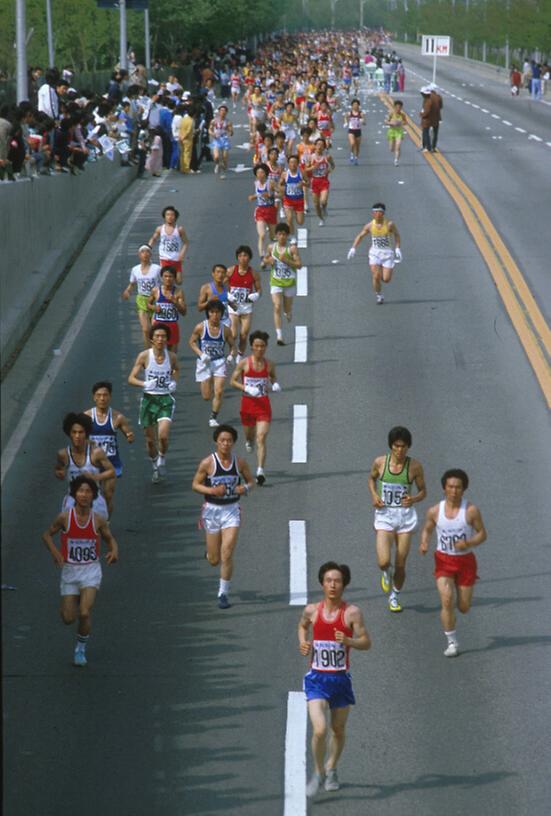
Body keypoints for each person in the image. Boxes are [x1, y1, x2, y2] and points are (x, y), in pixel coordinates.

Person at [298, 561, 371, 797]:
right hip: (317, 679)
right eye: (328, 580)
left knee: (338, 730)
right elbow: (302, 626)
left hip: (340, 680)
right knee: (319, 730)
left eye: (337, 581)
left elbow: (366, 642)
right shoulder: (312, 610)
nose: (332, 585)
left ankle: (331, 768)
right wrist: (303, 641)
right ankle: (318, 772)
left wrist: (348, 641)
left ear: (344, 585)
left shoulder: (352, 613)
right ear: (322, 583)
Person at [42, 475, 119, 667]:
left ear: (93, 496)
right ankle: (74, 598)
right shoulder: (65, 517)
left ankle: (80, 649)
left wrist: (114, 551)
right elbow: (46, 535)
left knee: (84, 613)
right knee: (68, 618)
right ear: (74, 494)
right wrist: (55, 553)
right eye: (81, 491)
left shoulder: (98, 520)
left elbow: (110, 539)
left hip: (91, 570)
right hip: (70, 571)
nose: (84, 495)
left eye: (88, 492)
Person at [420, 469, 487, 657]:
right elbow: (427, 529)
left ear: (464, 489)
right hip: (444, 560)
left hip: (465, 561)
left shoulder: (471, 511)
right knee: (447, 600)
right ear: (444, 488)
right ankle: (452, 642)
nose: (454, 491)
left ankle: (457, 607)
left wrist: (469, 542)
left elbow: (482, 533)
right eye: (450, 487)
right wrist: (424, 542)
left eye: (458, 487)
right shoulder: (434, 511)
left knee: (463, 607)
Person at [191, 425, 254, 609]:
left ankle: (223, 593)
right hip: (212, 510)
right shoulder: (208, 463)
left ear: (233, 443)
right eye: (222, 440)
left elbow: (251, 481)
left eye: (229, 441)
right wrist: (211, 490)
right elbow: (195, 485)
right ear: (216, 442)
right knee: (214, 559)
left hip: (231, 510)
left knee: (227, 552)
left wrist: (245, 488)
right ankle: (210, 554)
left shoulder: (239, 462)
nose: (225, 444)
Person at [367, 426, 426, 612]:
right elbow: (371, 479)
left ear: (408, 447)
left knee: (400, 563)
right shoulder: (380, 463)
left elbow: (424, 491)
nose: (400, 451)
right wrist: (374, 495)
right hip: (385, 515)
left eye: (403, 447)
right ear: (390, 446)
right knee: (384, 561)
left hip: (405, 518)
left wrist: (414, 499)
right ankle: (385, 573)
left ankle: (394, 595)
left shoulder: (414, 466)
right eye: (396, 446)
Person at [127, 323, 179, 483]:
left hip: (165, 399)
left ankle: (162, 458)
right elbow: (131, 378)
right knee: (150, 441)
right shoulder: (144, 356)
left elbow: (176, 370)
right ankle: (155, 466)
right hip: (149, 400)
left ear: (167, 339)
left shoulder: (172, 357)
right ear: (151, 339)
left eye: (163, 336)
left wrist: (174, 382)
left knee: (163, 435)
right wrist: (143, 384)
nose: (160, 339)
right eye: (157, 336)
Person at [230, 330, 280, 486]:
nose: (260, 349)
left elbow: (272, 376)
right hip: (247, 404)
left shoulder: (270, 364)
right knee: (250, 436)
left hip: (263, 405)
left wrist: (275, 383)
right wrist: (245, 388)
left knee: (262, 437)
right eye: (257, 346)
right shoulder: (244, 363)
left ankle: (260, 471)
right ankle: (248, 441)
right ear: (252, 346)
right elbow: (232, 381)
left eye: (263, 346)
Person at [84, 382, 134, 517]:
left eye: (105, 395)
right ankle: (92, 522)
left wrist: (129, 436)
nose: (102, 398)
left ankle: (105, 522)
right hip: (92, 464)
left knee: (107, 496)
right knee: (89, 497)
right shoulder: (87, 417)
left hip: (111, 464)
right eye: (99, 395)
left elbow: (128, 434)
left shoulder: (118, 417)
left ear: (110, 397)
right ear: (94, 397)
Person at [55, 412, 114, 519]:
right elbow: (58, 468)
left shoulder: (96, 453)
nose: (77, 436)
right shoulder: (63, 454)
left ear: (86, 433)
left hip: (94, 501)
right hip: (72, 500)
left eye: (81, 432)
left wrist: (95, 477)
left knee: (97, 532)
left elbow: (111, 471)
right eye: (74, 432)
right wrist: (60, 473)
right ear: (69, 433)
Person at [189, 299, 237, 427]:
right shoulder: (200, 327)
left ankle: (213, 417)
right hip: (204, 363)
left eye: (218, 312)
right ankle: (209, 380)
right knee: (206, 396)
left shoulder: (226, 330)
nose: (215, 315)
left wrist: (231, 356)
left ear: (222, 314)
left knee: (219, 391)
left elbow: (233, 346)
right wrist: (201, 354)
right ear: (208, 313)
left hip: (219, 362)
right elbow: (192, 342)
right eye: (212, 312)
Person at [347, 203, 402, 305]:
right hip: (375, 253)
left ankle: (382, 269)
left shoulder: (389, 224)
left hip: (387, 254)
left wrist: (397, 248)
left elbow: (397, 235)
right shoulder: (369, 226)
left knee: (386, 279)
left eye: (379, 212)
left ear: (383, 213)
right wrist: (353, 248)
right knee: (376, 276)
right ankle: (379, 295)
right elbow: (360, 236)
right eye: (375, 212)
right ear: (372, 213)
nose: (377, 214)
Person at [263, 222, 302, 346]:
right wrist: (269, 261)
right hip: (276, 281)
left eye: (284, 234)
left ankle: (288, 313)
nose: (282, 237)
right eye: (279, 234)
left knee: (286, 308)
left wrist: (287, 260)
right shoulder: (271, 247)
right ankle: (279, 336)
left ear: (288, 235)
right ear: (276, 235)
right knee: (277, 306)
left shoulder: (292, 249)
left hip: (289, 282)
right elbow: (265, 258)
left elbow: (299, 265)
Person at [226, 245, 262, 361]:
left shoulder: (254, 273)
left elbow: (259, 290)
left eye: (245, 255)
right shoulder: (231, 271)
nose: (243, 258)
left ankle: (240, 355)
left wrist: (255, 295)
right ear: (237, 258)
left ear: (249, 257)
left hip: (246, 308)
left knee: (243, 335)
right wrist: (228, 296)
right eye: (240, 255)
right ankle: (232, 352)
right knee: (233, 334)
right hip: (234, 307)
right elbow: (222, 286)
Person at [121, 244, 161, 348]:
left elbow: (164, 282)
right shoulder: (135, 269)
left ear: (151, 254)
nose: (145, 254)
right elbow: (132, 283)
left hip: (155, 300)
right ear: (139, 254)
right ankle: (148, 352)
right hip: (142, 300)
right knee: (145, 329)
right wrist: (127, 291)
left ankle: (156, 349)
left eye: (147, 251)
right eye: (143, 252)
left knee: (155, 329)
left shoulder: (157, 269)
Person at [147, 265, 187, 353]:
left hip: (172, 325)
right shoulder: (156, 291)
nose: (168, 279)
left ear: (174, 278)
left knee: (172, 354)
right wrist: (154, 307)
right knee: (157, 352)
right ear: (161, 277)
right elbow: (148, 304)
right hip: (159, 324)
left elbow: (184, 312)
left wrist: (174, 302)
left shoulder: (178, 292)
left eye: (170, 276)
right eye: (165, 276)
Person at [148, 205, 189, 284]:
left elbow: (186, 242)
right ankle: (166, 294)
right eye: (167, 215)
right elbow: (153, 238)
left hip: (176, 258)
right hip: (164, 258)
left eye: (172, 215)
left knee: (179, 281)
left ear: (175, 217)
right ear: (164, 217)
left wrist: (182, 254)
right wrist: (148, 248)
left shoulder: (179, 229)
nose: (170, 217)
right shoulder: (160, 229)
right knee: (167, 280)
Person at [249, 163, 278, 260]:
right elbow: (257, 194)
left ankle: (271, 251)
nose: (260, 175)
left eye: (262, 172)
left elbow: (281, 193)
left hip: (271, 210)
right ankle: (262, 255)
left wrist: (271, 195)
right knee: (261, 235)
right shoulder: (255, 183)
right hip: (260, 210)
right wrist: (253, 196)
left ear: (266, 173)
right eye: (258, 173)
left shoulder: (271, 183)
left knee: (272, 236)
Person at [306, 137, 335, 227]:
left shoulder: (327, 157)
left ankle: (325, 207)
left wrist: (329, 170)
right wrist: (313, 167)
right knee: (316, 204)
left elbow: (333, 166)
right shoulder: (310, 157)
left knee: (323, 201)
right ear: (314, 146)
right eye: (318, 144)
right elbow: (306, 169)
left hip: (324, 181)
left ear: (324, 147)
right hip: (314, 181)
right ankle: (321, 219)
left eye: (321, 145)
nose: (319, 147)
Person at [197, 263, 231, 331]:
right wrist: (209, 301)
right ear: (213, 274)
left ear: (225, 275)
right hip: (212, 323)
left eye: (223, 273)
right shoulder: (206, 288)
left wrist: (233, 304)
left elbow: (231, 304)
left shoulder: (227, 288)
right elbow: (199, 308)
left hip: (225, 322)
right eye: (218, 272)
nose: (220, 275)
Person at [280, 154, 308, 236]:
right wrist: (282, 188)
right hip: (288, 200)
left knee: (300, 222)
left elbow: (309, 183)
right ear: (288, 164)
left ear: (298, 163)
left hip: (299, 200)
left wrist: (303, 184)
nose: (293, 164)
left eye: (295, 162)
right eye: (291, 162)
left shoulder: (302, 172)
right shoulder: (285, 174)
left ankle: (298, 214)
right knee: (289, 219)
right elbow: (280, 184)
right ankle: (293, 237)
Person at [208, 104, 233, 179]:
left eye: (224, 111)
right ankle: (217, 164)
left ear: (226, 112)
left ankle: (223, 172)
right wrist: (212, 134)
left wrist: (231, 132)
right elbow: (210, 129)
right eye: (221, 110)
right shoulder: (214, 121)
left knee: (225, 158)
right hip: (216, 140)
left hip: (224, 140)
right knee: (216, 157)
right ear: (219, 112)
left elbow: (231, 131)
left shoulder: (228, 122)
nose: (222, 112)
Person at [385, 99, 406, 166]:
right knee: (391, 149)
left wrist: (401, 123)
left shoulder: (402, 115)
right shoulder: (391, 113)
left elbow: (405, 122)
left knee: (398, 145)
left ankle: (396, 160)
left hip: (399, 131)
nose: (398, 109)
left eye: (400, 107)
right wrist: (391, 123)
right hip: (392, 131)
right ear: (394, 107)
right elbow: (386, 121)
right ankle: (396, 149)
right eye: (397, 107)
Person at [344, 98, 365, 165]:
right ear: (352, 106)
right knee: (352, 143)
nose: (355, 106)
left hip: (358, 131)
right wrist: (346, 122)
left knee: (357, 146)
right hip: (351, 130)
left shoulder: (361, 113)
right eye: (354, 105)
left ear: (358, 106)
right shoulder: (349, 113)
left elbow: (364, 122)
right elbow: (345, 117)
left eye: (357, 105)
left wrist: (362, 121)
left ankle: (356, 158)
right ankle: (351, 154)